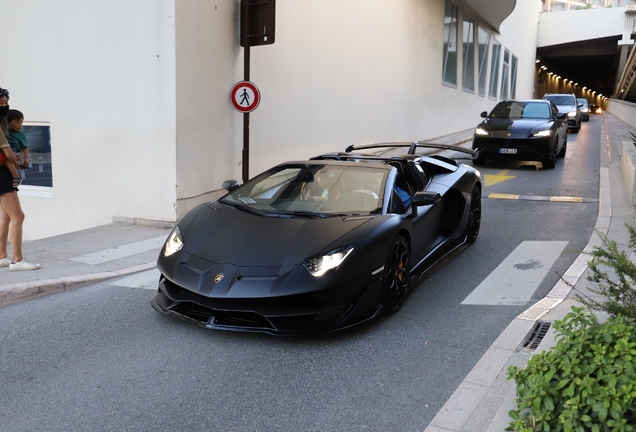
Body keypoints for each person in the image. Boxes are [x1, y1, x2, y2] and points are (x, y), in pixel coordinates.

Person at [0, 87, 40, 270]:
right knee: (18, 216)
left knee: (5, 217)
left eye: (5, 102)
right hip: (2, 174)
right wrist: (17, 163)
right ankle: (18, 260)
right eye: (1, 103)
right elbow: (8, 154)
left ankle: (2, 257)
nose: (4, 105)